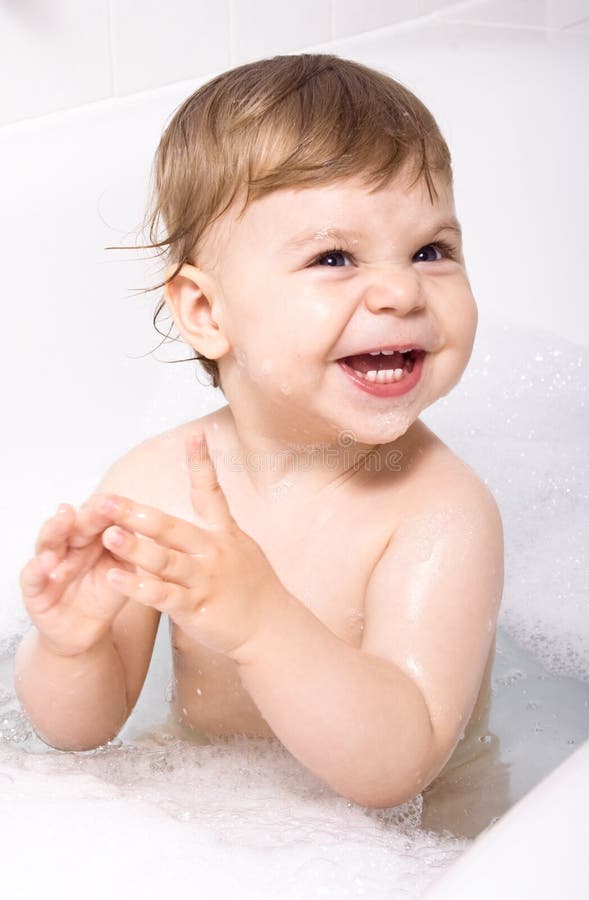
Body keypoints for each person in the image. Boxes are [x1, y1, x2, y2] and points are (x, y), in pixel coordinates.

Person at [13, 53, 506, 827]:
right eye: (333, 258)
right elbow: (81, 733)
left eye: (431, 250)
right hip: (231, 824)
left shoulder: (441, 513)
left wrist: (260, 621)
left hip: (415, 843)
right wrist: (71, 650)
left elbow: (400, 764)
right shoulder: (157, 483)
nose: (402, 290)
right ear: (208, 313)